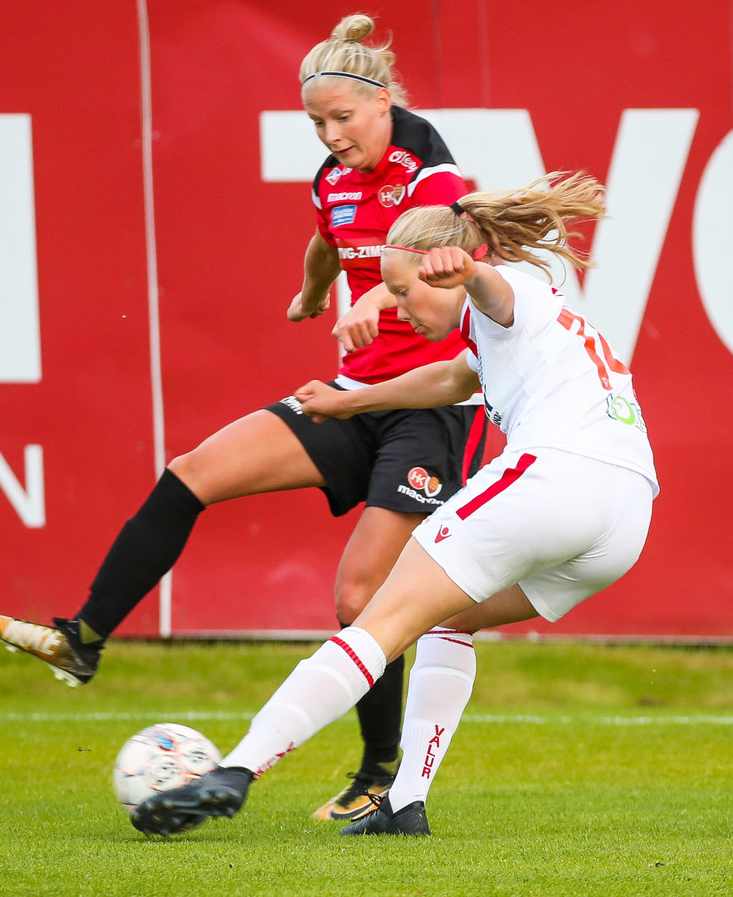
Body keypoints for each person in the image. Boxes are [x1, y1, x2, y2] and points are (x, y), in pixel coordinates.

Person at [0, 14, 487, 823]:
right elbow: (329, 240)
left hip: (430, 406)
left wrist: (383, 298)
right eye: (316, 123)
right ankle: (83, 638)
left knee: (361, 595)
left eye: (342, 118)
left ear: (381, 102)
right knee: (193, 472)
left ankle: (379, 773)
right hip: (348, 396)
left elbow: (445, 264)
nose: (331, 135)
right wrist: (314, 291)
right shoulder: (333, 177)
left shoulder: (434, 173)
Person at [129, 172, 659, 838]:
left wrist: (470, 270)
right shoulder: (513, 327)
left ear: (444, 271)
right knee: (447, 620)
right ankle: (404, 805)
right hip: (625, 515)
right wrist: (348, 402)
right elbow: (450, 378)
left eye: (403, 291)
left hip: (557, 476)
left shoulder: (505, 291)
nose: (398, 309)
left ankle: (236, 770)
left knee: (379, 621)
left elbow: (494, 293)